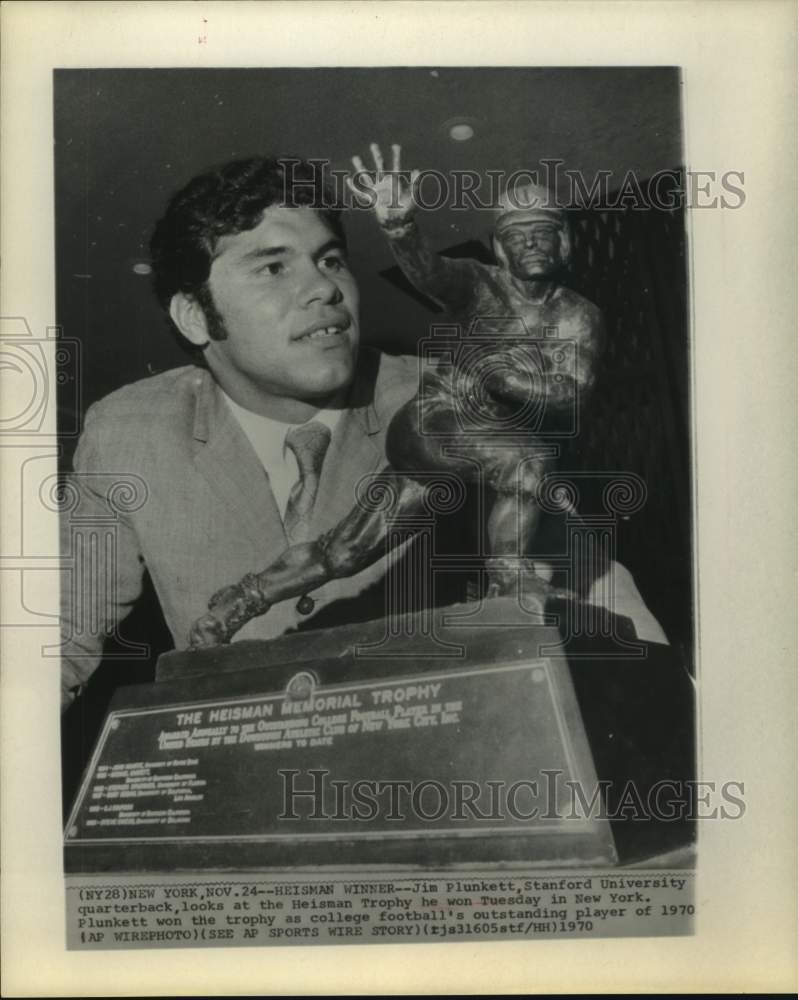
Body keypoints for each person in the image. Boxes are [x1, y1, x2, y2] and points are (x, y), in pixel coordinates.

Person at [188, 145, 667, 647]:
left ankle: (238, 602)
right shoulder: (481, 284)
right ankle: (510, 578)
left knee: (346, 552)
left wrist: (495, 370)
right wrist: (400, 228)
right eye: (517, 237)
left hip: (469, 456)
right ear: (500, 249)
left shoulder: (578, 316)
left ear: (564, 244)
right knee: (525, 460)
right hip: (436, 424)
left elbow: (569, 397)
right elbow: (429, 272)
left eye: (543, 234)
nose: (531, 245)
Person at [59, 156, 418, 711]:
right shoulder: (127, 433)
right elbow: (52, 639)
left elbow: (583, 585)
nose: (324, 288)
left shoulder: (443, 401)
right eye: (273, 268)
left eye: (330, 259)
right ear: (195, 317)